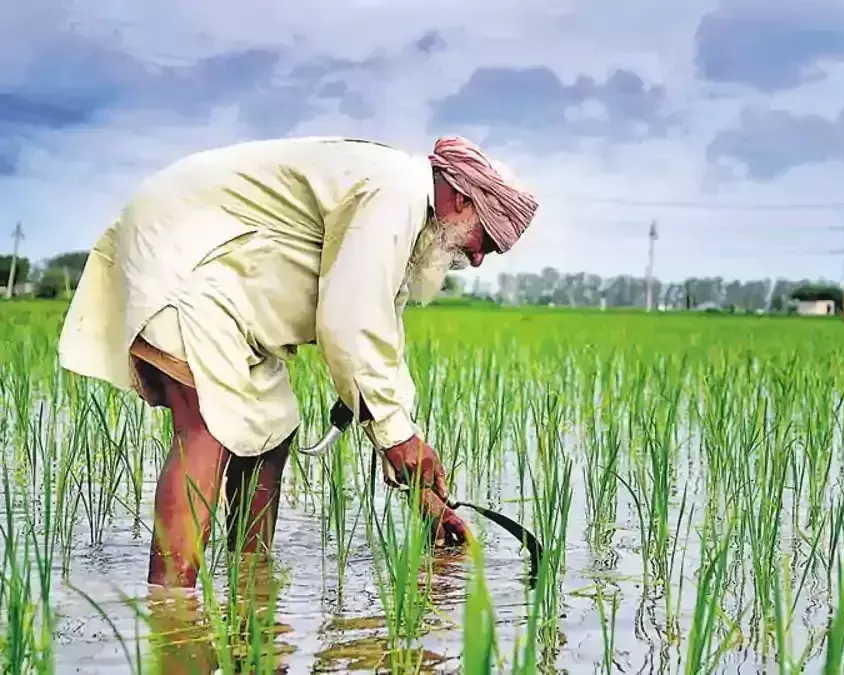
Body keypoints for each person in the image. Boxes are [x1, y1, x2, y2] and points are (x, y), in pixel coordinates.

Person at [56, 135, 539, 588]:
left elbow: (380, 343)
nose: (477, 260)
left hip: (229, 291)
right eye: (488, 240)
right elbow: (350, 320)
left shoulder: (402, 216)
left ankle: (250, 584)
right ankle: (172, 604)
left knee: (273, 428)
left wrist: (425, 493)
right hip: (184, 260)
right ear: (461, 199)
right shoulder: (395, 194)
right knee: (207, 427)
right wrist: (400, 440)